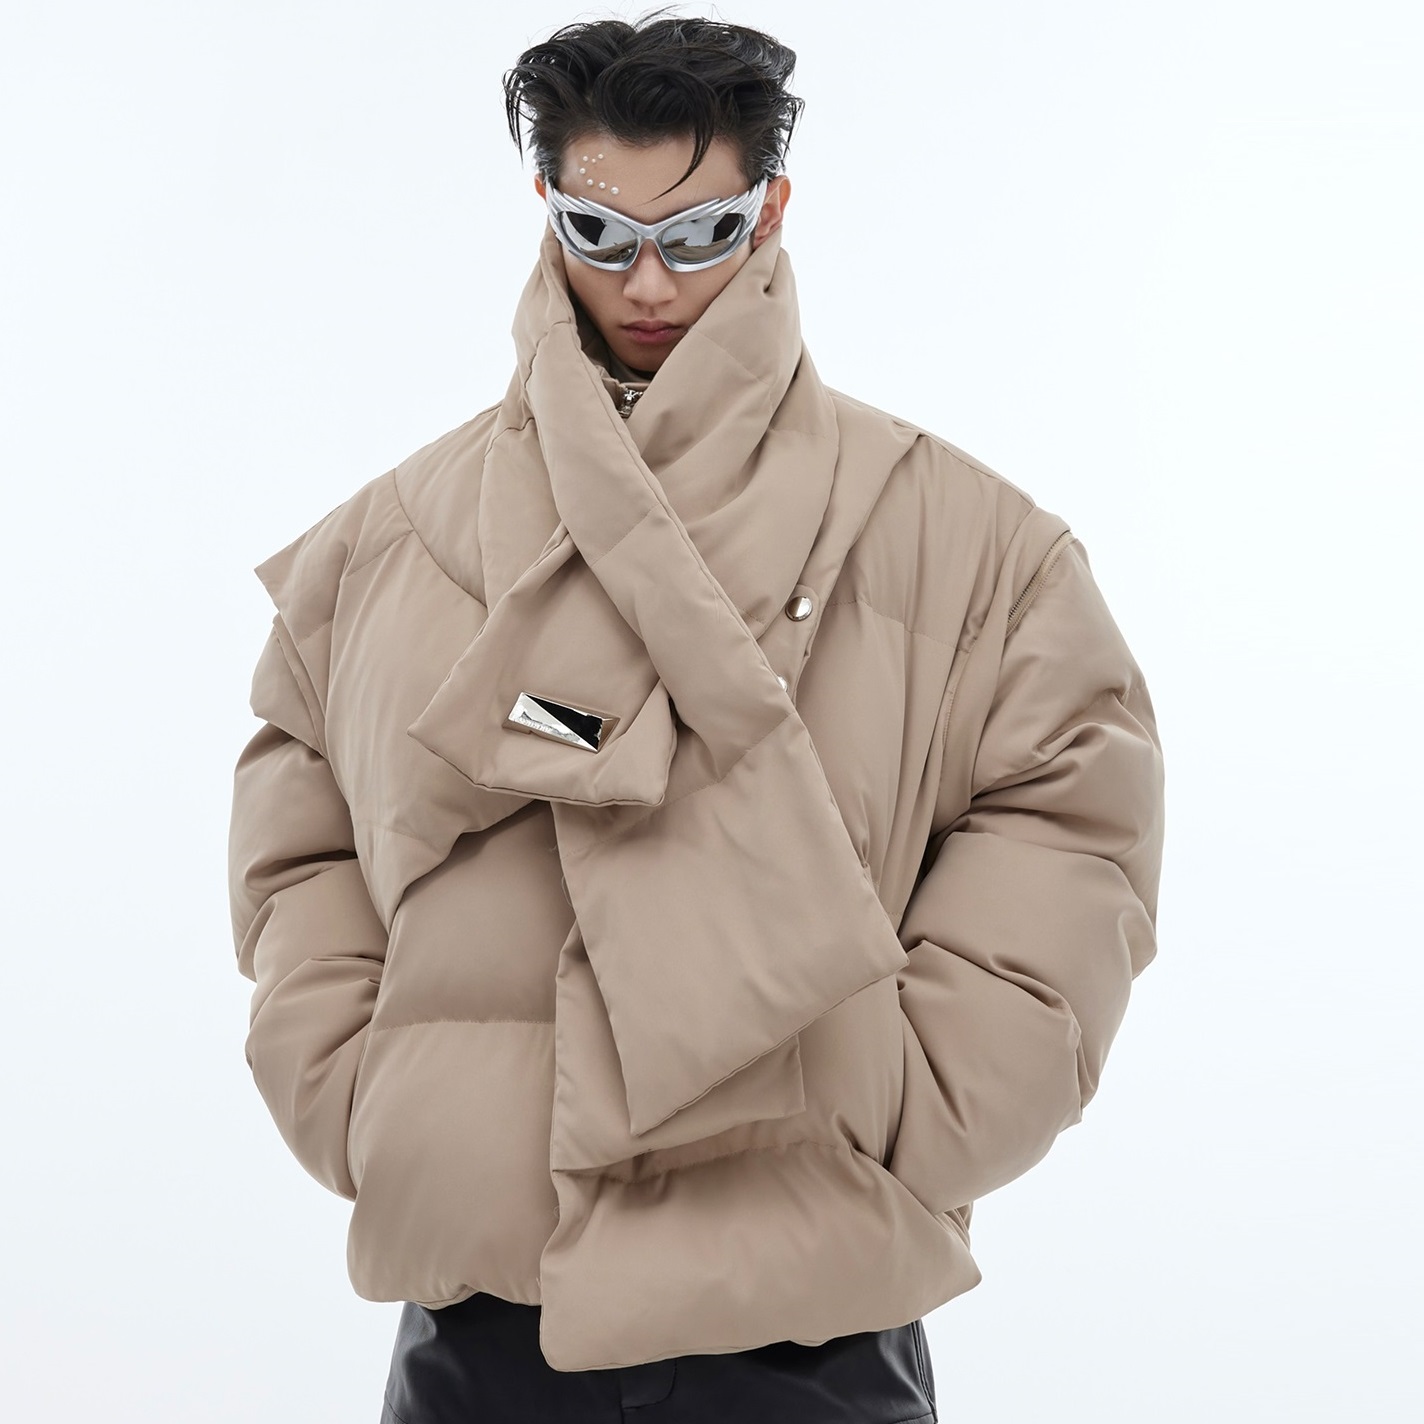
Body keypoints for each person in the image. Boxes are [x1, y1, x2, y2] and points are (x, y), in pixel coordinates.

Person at [227, 11, 1166, 1423]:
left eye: (702, 231)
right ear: (546, 206)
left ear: (772, 209)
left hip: (813, 1304)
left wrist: (913, 1107)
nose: (651, 281)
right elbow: (299, 840)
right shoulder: (384, 545)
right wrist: (374, 1102)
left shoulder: (975, 547)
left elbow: (1074, 820)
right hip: (488, 1311)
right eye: (602, 235)